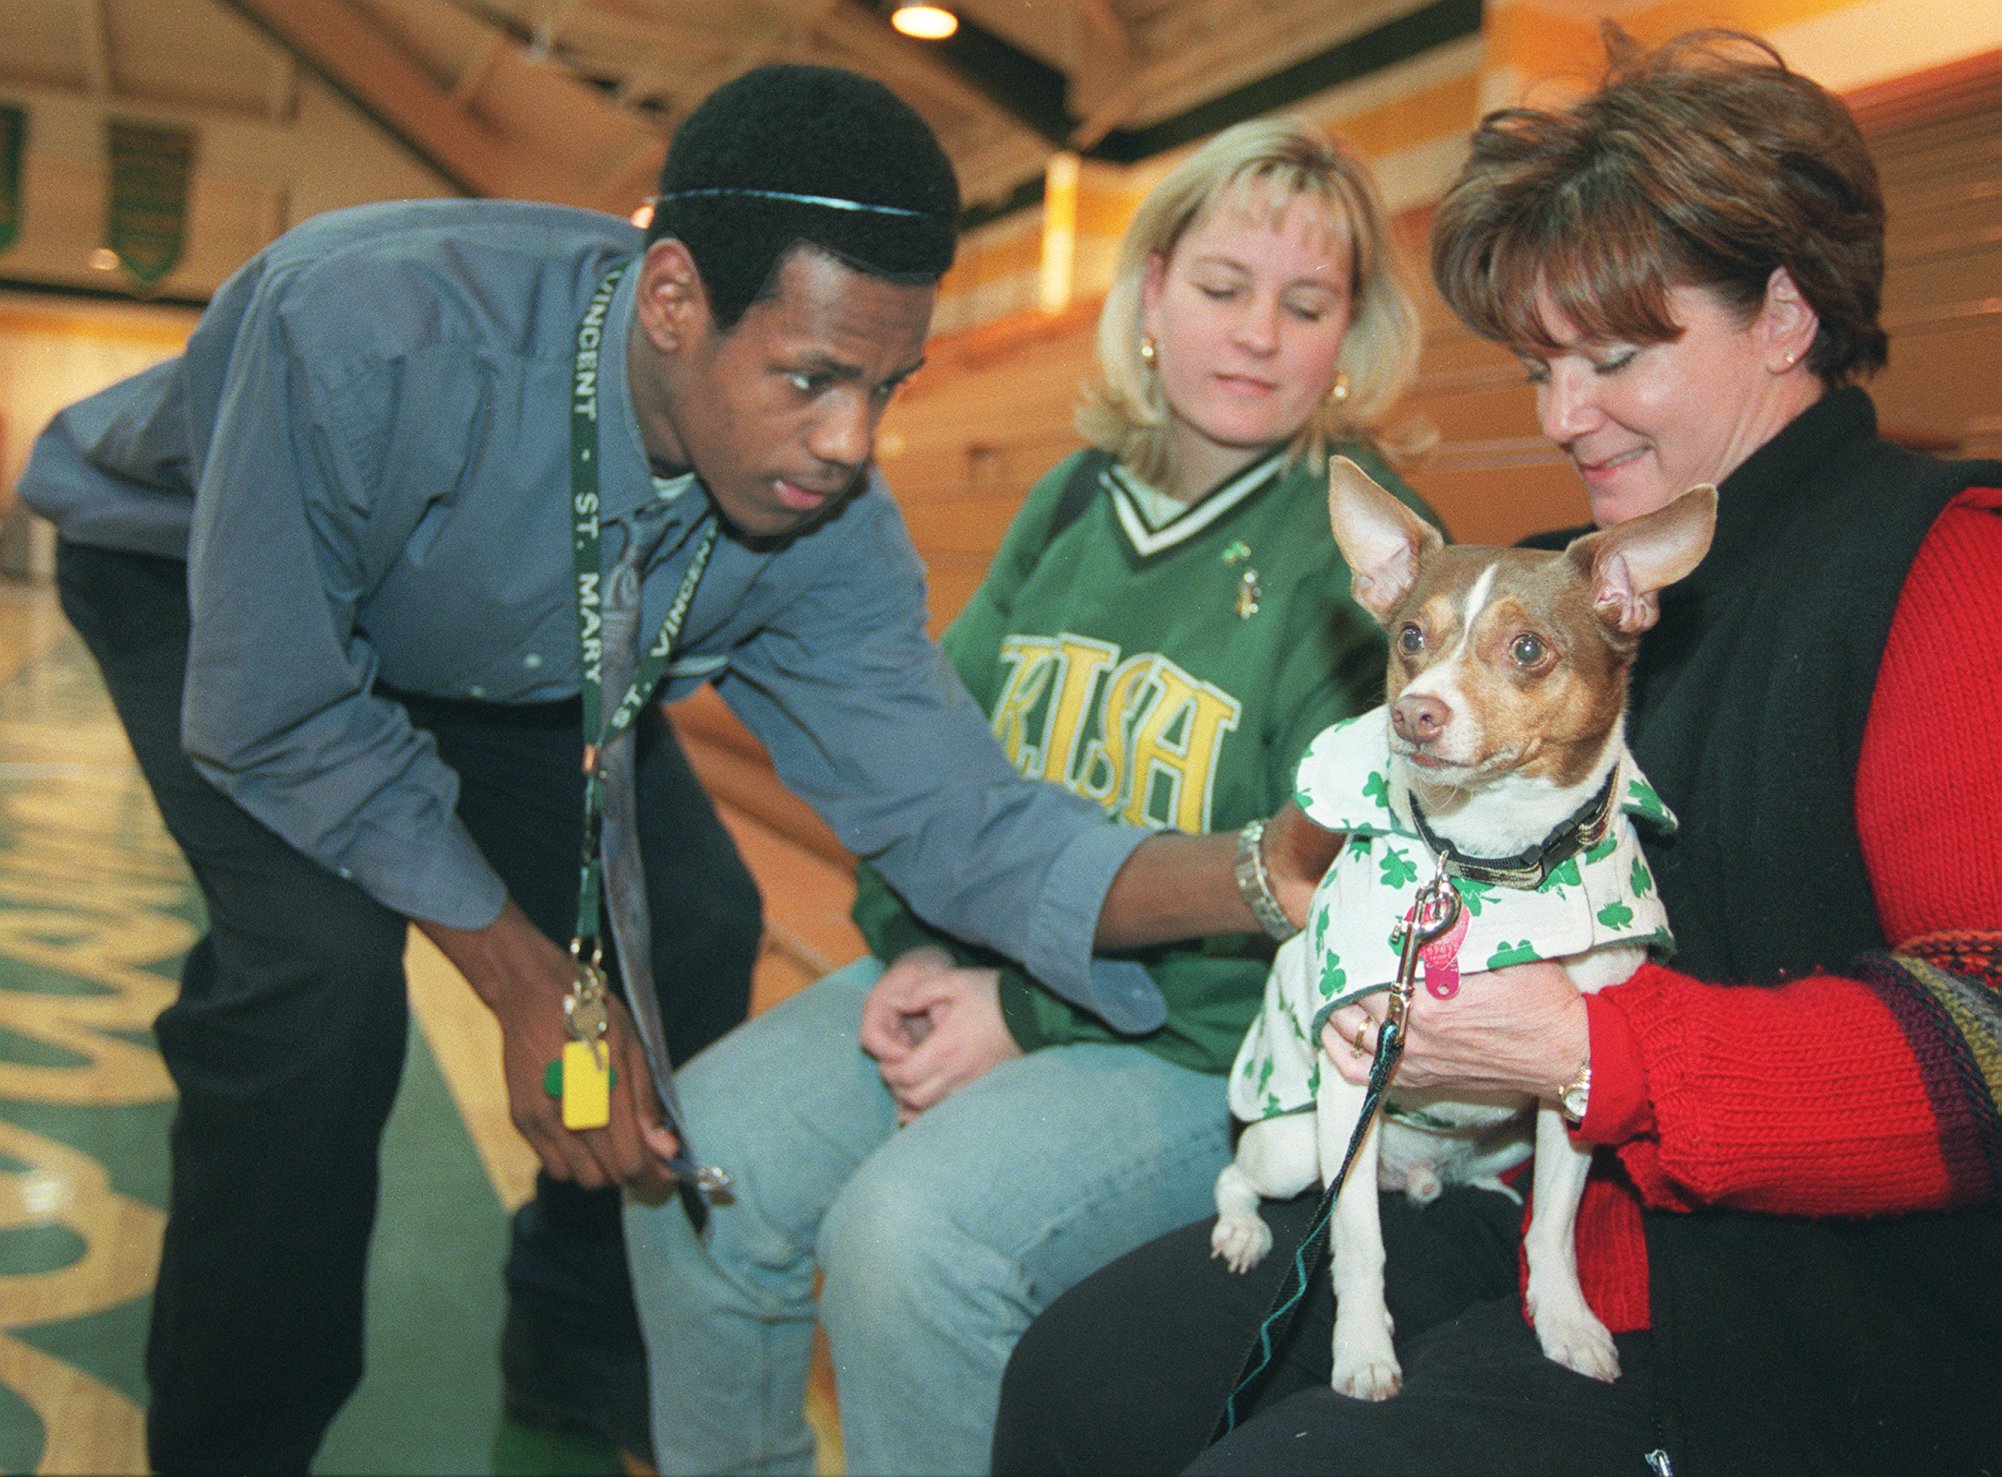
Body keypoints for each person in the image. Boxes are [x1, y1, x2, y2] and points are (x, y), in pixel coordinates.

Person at [19, 66, 1334, 1476]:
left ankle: (579, 1346)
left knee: (693, 924)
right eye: (810, 377)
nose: (850, 443)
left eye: (886, 387)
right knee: (315, 986)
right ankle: (233, 1444)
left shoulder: (821, 521)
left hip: (514, 651)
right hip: (225, 594)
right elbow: (280, 714)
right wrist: (534, 985)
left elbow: (962, 821)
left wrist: (1262, 865)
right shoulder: (360, 327)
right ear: (670, 302)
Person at [992, 28, 2002, 1477]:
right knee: (1082, 1378)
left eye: (1613, 355)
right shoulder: (1539, 591)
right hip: (1528, 1190)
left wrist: (1602, 1050)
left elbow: (1986, 1031)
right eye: (1536, 364)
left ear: (1782, 315)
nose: (1557, 416)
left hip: (1795, 1303)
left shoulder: (1938, 567)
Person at [621, 117, 1439, 1475]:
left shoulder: (1366, 558)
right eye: (1223, 288)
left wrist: (1024, 1005)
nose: (1255, 334)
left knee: (908, 1245)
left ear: (1350, 335)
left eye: (1305, 304)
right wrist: (927, 937)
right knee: (700, 1159)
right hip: (993, 970)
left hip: (1212, 1048)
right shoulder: (1070, 501)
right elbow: (921, 775)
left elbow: (1330, 913)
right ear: (1154, 292)